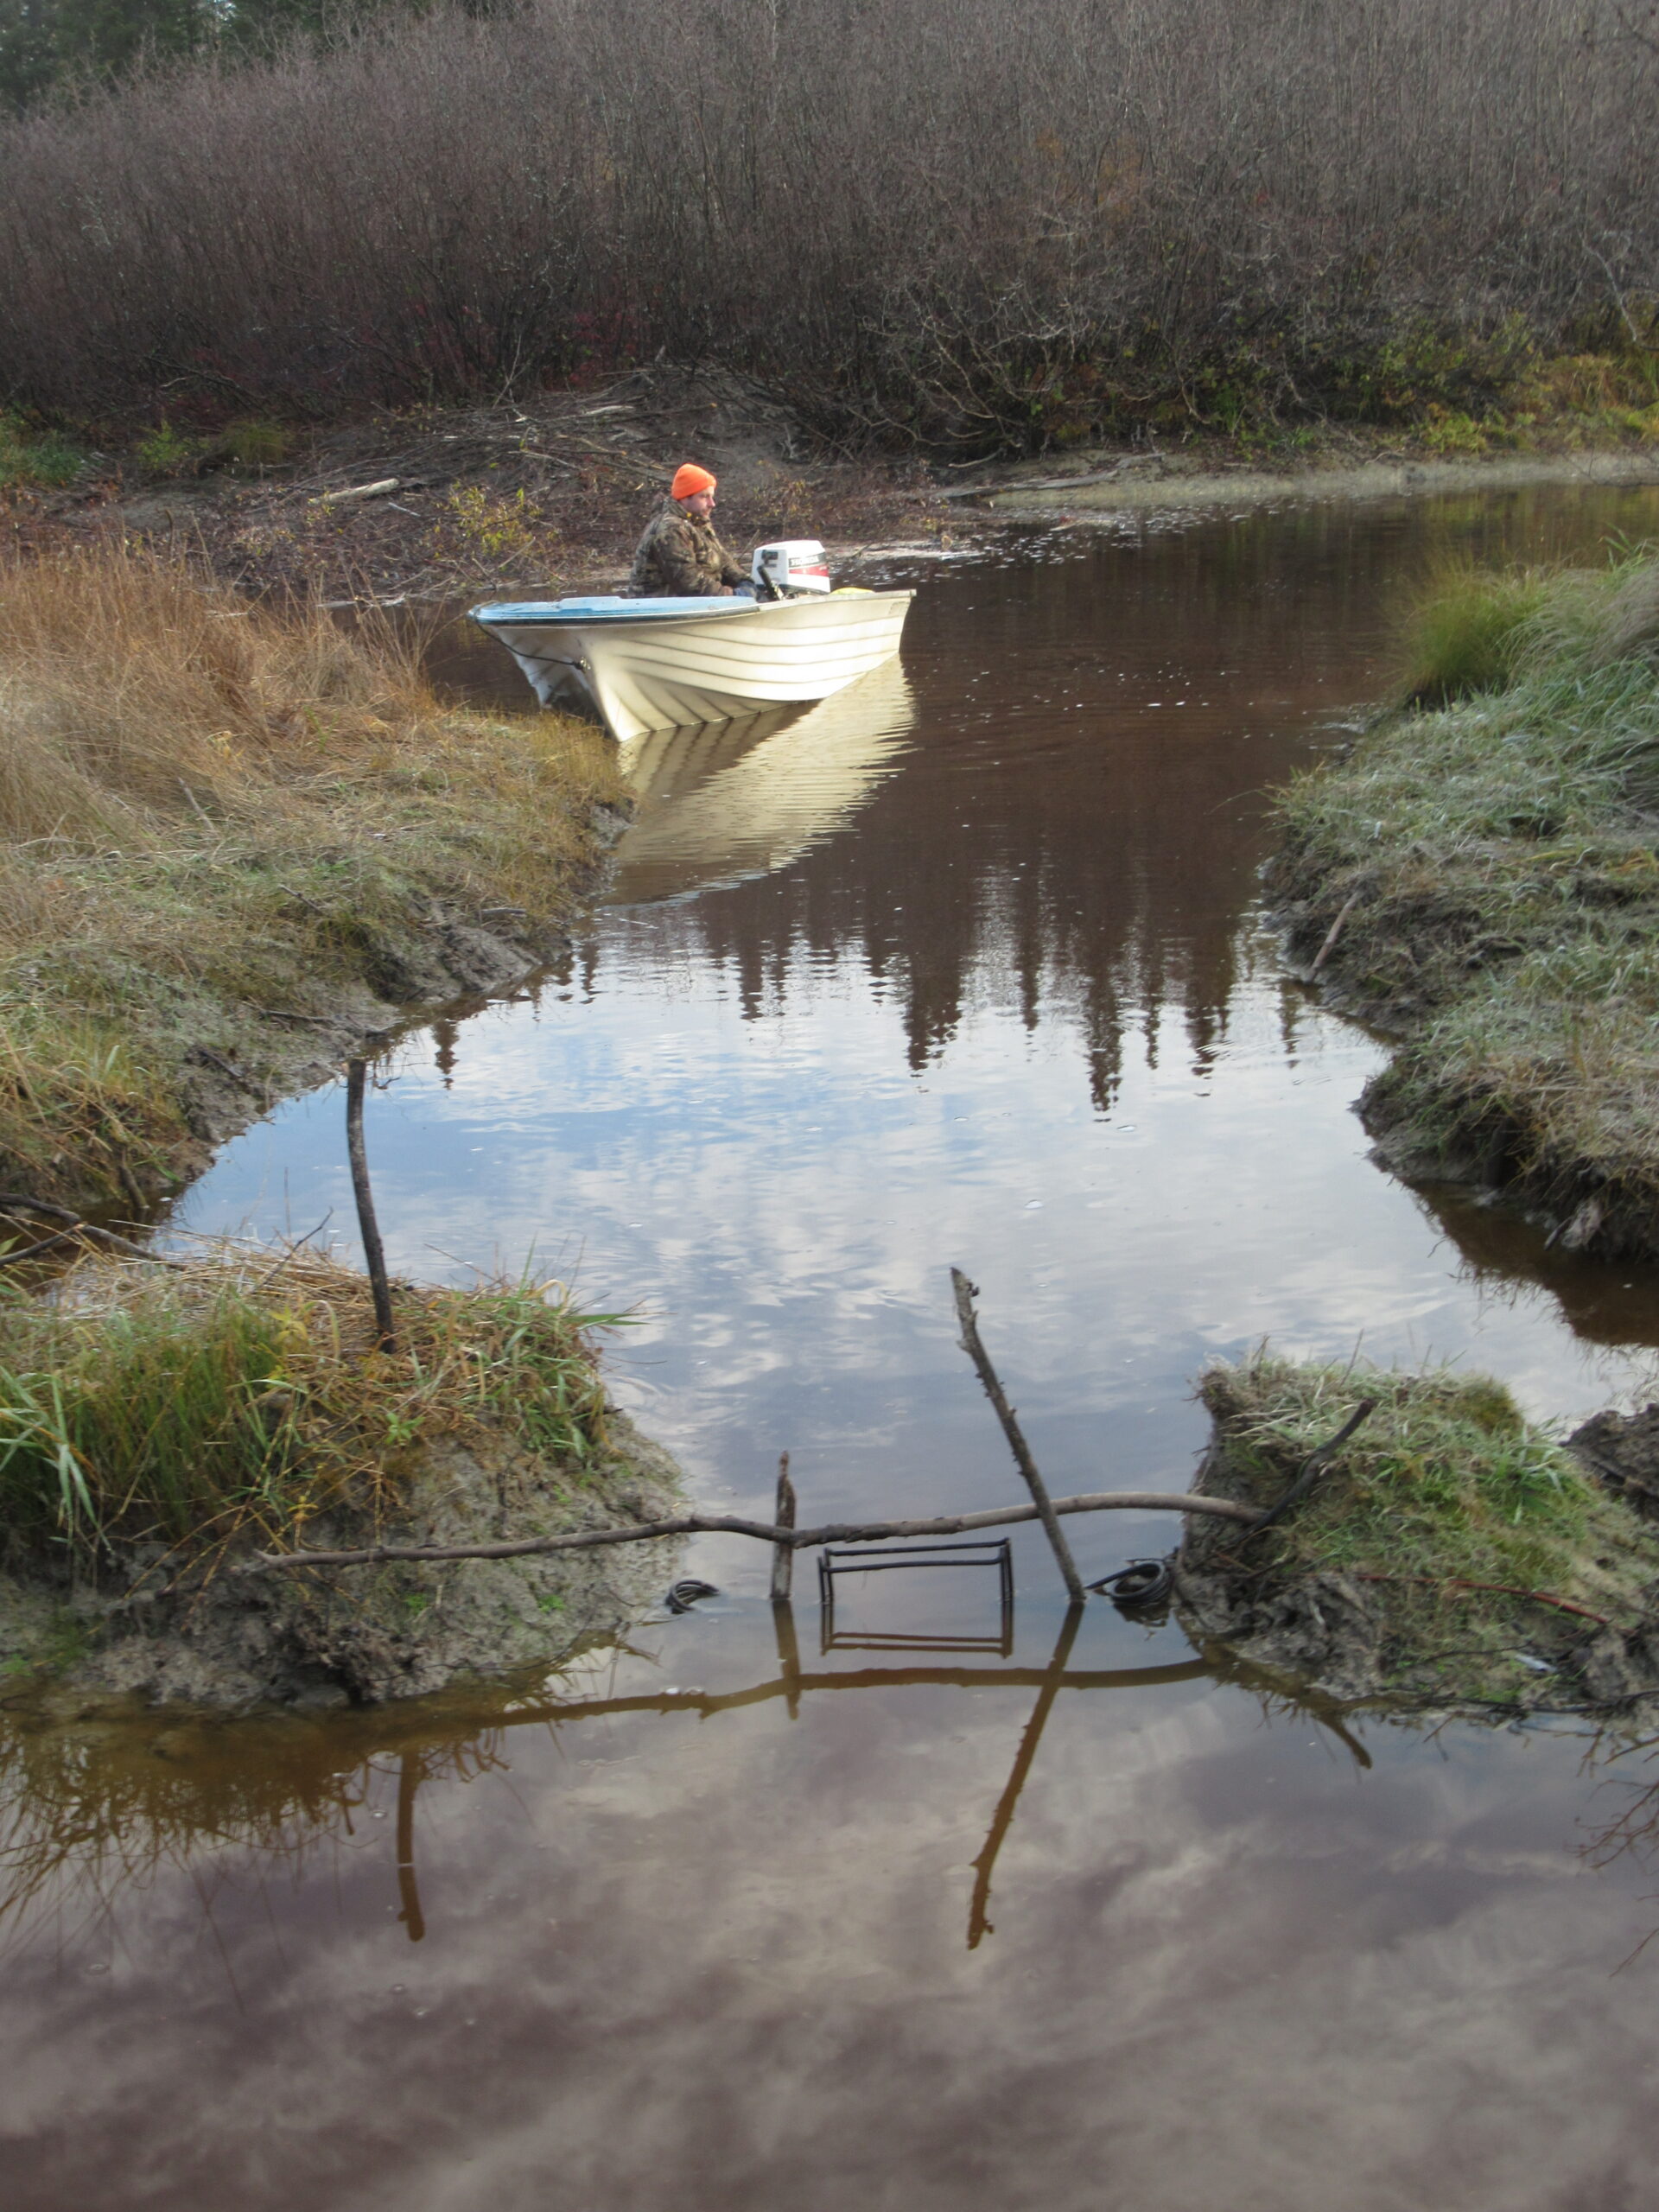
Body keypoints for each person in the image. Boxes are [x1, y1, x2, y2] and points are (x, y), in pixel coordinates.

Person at [627, 463, 747, 598]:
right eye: (704, 497)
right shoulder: (670, 529)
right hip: (659, 607)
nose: (712, 504)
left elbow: (722, 559)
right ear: (685, 497)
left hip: (694, 603)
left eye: (711, 497)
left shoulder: (698, 521)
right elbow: (689, 583)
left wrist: (744, 581)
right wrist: (732, 594)